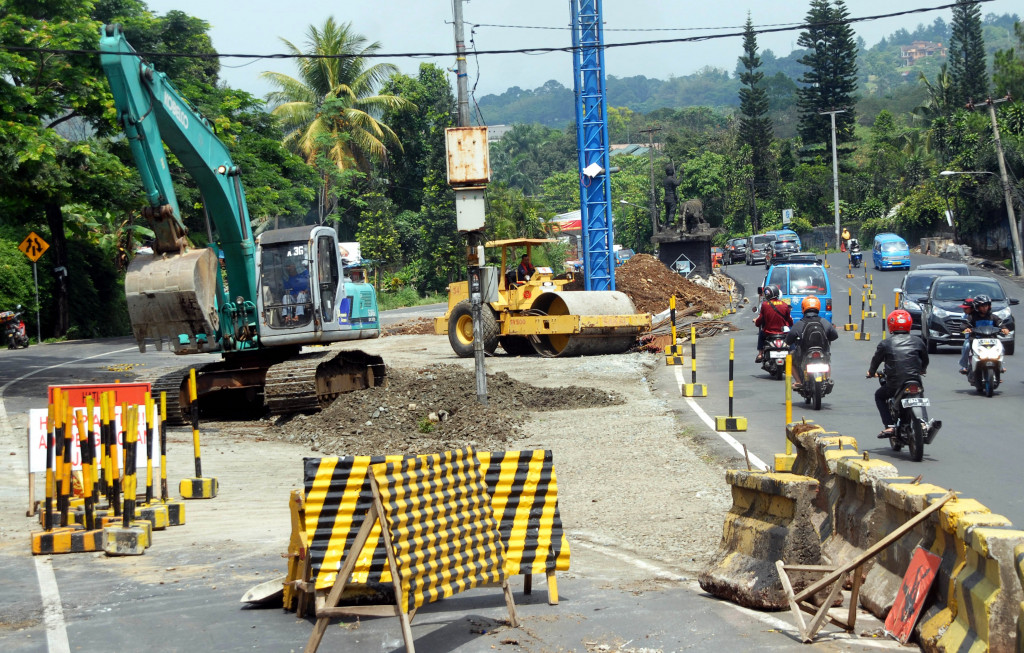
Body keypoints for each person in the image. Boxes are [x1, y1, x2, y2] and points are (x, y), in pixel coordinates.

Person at [867, 309, 929, 438]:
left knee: (879, 396)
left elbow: (876, 360)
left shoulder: (885, 343)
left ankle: (890, 426)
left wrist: (871, 372)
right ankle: (924, 423)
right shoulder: (918, 341)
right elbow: (925, 360)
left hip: (895, 384)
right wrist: (922, 369)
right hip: (914, 380)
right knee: (919, 397)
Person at [785, 295, 839, 385]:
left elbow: (789, 340)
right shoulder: (824, 322)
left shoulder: (799, 324)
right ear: (818, 307)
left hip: (804, 355)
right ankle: (828, 378)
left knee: (789, 360)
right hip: (822, 354)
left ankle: (798, 381)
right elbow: (834, 336)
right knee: (827, 361)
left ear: (803, 308)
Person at [958, 294, 1009, 374]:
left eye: (986, 306)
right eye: (982, 306)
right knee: (967, 346)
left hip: (992, 340)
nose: (984, 308)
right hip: (976, 339)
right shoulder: (972, 317)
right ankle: (964, 366)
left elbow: (1000, 323)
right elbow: (964, 326)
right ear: (977, 307)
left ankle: (1000, 366)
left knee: (1001, 348)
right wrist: (966, 329)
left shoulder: (993, 317)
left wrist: (1004, 328)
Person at [753, 285, 793, 363]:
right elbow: (789, 320)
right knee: (791, 338)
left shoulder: (765, 305)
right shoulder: (784, 305)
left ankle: (760, 354)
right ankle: (792, 352)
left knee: (761, 334)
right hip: (783, 333)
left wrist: (757, 323)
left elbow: (760, 319)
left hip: (769, 333)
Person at [662, 163, 682, 227]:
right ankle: (670, 222)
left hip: (666, 198)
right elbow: (677, 183)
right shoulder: (671, 179)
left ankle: (667, 222)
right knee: (672, 210)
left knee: (667, 210)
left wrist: (674, 177)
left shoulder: (665, 179)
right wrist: (681, 175)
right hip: (671, 198)